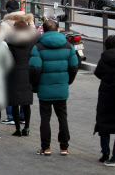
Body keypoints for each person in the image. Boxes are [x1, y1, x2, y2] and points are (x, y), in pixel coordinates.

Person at [29, 20, 78, 156]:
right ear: (57, 30)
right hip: (61, 87)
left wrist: (35, 85)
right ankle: (64, 147)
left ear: (43, 30)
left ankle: (46, 147)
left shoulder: (38, 47)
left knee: (45, 118)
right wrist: (68, 81)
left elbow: (35, 69)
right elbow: (74, 67)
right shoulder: (68, 46)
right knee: (62, 117)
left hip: (45, 88)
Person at [93, 35, 115, 163]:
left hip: (106, 93)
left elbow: (98, 73)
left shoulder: (104, 57)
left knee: (104, 124)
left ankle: (105, 153)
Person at [0, 0, 35, 124]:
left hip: (11, 62)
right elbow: (34, 36)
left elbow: (1, 41)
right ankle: (23, 117)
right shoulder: (28, 21)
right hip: (27, 60)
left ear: (8, 10)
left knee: (10, 90)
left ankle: (10, 116)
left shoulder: (5, 24)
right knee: (25, 91)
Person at [6, 20, 39, 137]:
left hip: (15, 73)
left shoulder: (11, 43)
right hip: (27, 73)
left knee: (15, 103)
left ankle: (17, 129)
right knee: (26, 103)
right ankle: (27, 127)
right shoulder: (31, 42)